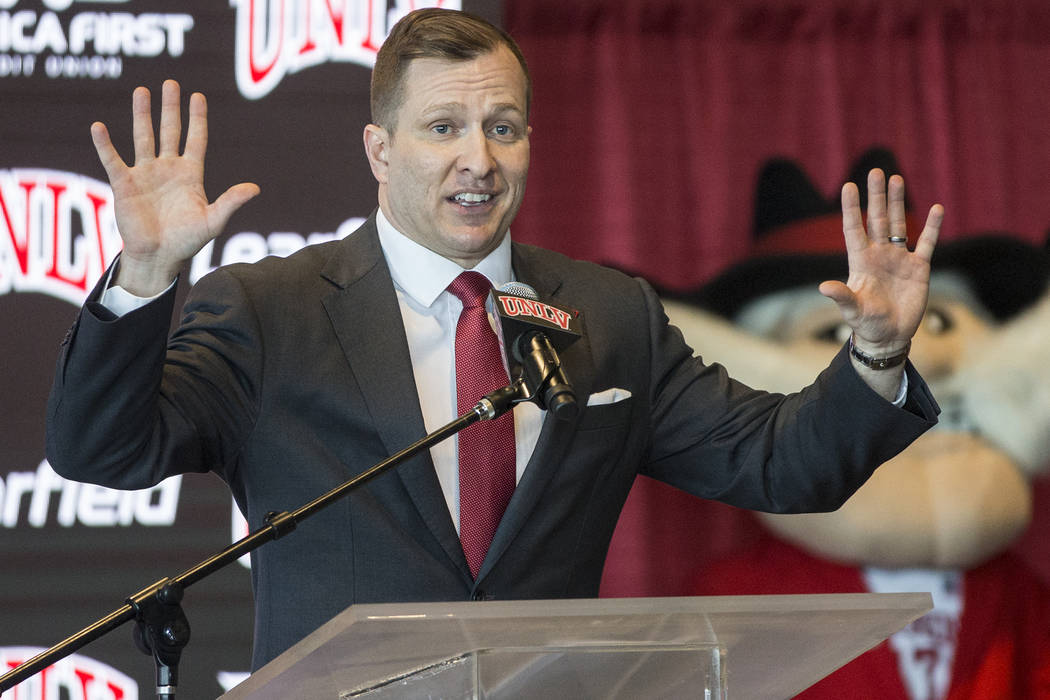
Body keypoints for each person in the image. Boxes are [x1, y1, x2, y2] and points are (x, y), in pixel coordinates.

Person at [46, 8, 943, 670]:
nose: (479, 158)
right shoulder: (268, 310)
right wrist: (147, 280)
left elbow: (782, 465)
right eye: (443, 128)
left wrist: (876, 357)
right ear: (379, 150)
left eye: (502, 128)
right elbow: (103, 450)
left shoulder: (609, 314)